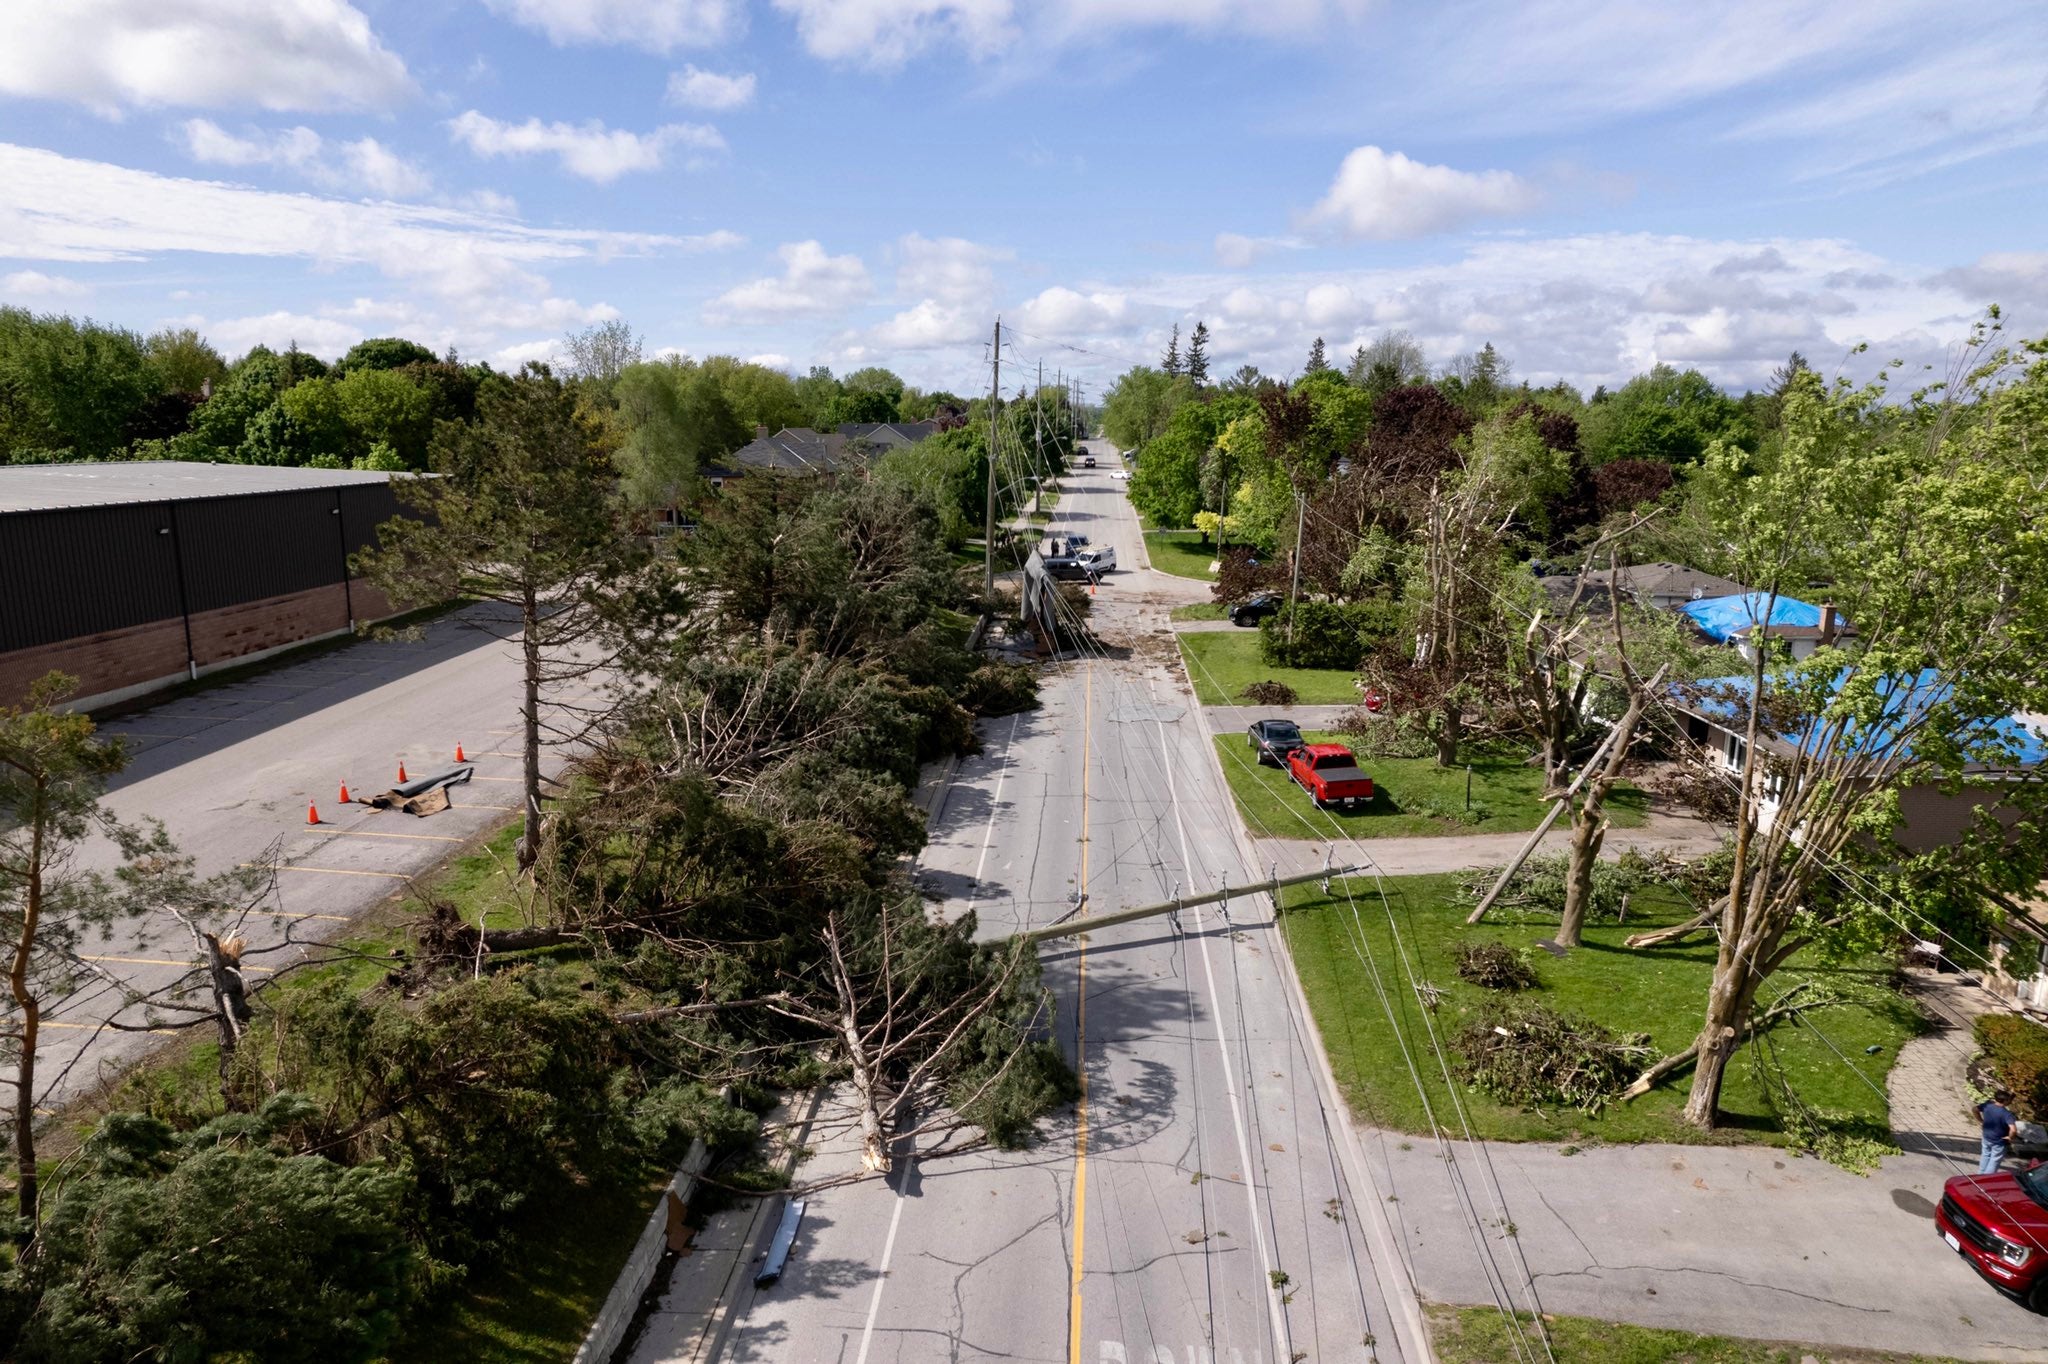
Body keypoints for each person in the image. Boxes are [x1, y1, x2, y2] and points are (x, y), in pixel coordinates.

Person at [1978, 1089, 2019, 1175]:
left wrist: (1981, 1120)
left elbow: (1974, 1109)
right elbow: (2013, 1129)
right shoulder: (2007, 1114)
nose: (2010, 1101)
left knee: (1985, 1156)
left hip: (1986, 1137)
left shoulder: (1987, 1105)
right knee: (1994, 1161)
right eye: (2008, 1100)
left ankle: (1980, 1175)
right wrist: (2010, 1137)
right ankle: (1986, 1179)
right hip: (1999, 1141)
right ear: (2005, 1101)